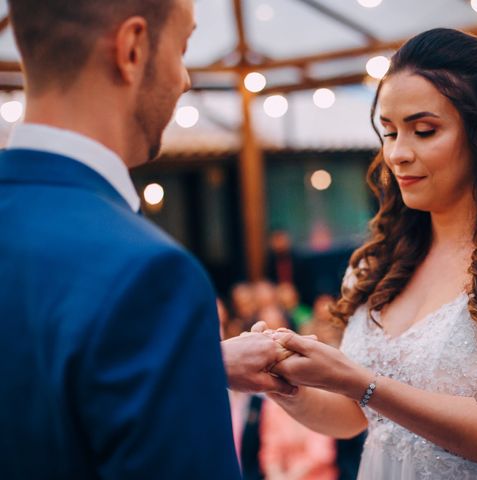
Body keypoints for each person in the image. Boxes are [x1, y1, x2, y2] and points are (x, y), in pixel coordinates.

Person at [264, 28, 477, 479]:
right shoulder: (378, 261)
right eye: (388, 132)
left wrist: (363, 384)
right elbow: (353, 417)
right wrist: (284, 384)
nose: (398, 154)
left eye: (424, 131)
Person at [0, 1, 293, 479]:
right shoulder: (149, 276)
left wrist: (195, 366)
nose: (185, 80)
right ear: (133, 49)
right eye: (181, 49)